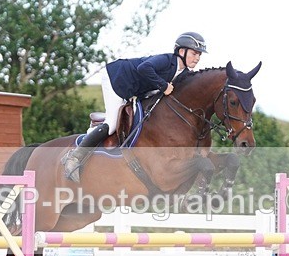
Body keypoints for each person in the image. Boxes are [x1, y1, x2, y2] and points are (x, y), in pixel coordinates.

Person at [63, 32, 208, 182]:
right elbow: (144, 68)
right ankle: (74, 157)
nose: (197, 58)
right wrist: (163, 85)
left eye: (199, 55)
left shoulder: (184, 73)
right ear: (182, 51)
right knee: (112, 124)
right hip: (118, 79)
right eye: (194, 53)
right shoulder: (167, 60)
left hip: (135, 90)